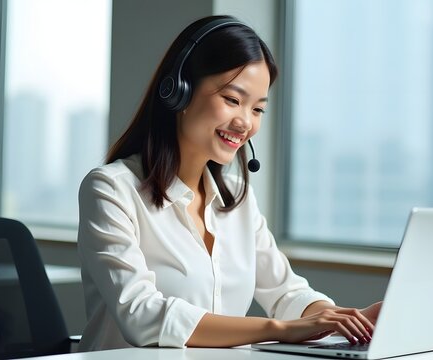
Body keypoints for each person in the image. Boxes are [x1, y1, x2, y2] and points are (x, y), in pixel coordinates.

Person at [77, 15, 381, 352]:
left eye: (258, 109)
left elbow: (287, 292)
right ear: (179, 91)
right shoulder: (110, 190)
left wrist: (349, 319)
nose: (245, 123)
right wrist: (278, 329)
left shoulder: (236, 197)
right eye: (233, 100)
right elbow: (141, 314)